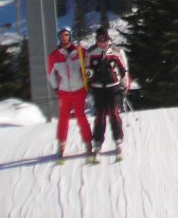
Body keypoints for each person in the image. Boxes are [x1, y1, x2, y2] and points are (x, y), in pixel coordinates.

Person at [46, 27, 93, 159]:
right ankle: (61, 144)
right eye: (61, 35)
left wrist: (88, 81)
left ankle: (88, 142)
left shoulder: (80, 51)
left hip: (79, 89)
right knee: (63, 118)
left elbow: (89, 67)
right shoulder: (54, 56)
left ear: (70, 36)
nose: (64, 38)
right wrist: (56, 88)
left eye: (66, 35)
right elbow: (50, 75)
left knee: (81, 116)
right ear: (59, 37)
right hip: (64, 91)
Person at [86, 26, 129, 157]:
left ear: (108, 39)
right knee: (99, 115)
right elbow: (87, 70)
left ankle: (118, 139)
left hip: (113, 87)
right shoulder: (91, 52)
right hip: (98, 88)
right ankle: (98, 141)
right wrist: (89, 81)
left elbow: (123, 70)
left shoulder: (116, 51)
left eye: (104, 39)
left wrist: (124, 85)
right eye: (99, 40)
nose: (102, 42)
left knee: (113, 113)